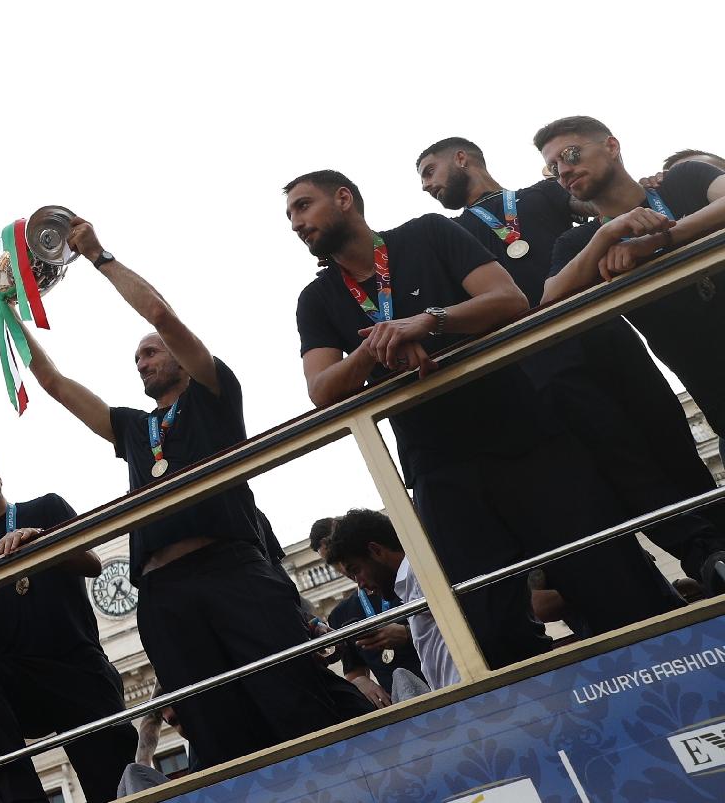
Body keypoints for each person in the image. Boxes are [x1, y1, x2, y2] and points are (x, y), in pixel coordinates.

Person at [285, 170, 674, 669]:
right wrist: (380, 344)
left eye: (303, 206)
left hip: (527, 434)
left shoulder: (427, 232)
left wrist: (429, 320)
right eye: (291, 215)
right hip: (438, 467)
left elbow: (508, 300)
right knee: (486, 623)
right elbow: (321, 389)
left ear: (344, 199)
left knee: (609, 578)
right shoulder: (316, 299)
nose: (297, 223)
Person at [15, 222, 365, 769]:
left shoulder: (212, 392)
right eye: (137, 359)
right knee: (214, 728)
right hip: (162, 594)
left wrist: (98, 257)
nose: (143, 361)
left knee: (292, 699)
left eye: (152, 354)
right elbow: (55, 383)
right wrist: (8, 314)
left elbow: (161, 315)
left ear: (180, 356)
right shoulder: (134, 429)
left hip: (230, 570)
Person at [416, 136, 722, 600]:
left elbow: (609, 200)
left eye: (429, 171)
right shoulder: (449, 234)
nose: (427, 186)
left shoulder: (542, 196)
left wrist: (652, 187)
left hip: (611, 335)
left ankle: (719, 537)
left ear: (462, 159)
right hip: (542, 363)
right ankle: (701, 553)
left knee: (671, 435)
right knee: (621, 461)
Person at [0, 437, 134, 802]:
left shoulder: (45, 507)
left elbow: (92, 563)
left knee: (115, 790)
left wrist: (40, 542)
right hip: (23, 681)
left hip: (79, 669)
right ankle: (21, 793)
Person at [539, 117, 725, 442]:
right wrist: (606, 234)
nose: (564, 171)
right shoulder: (578, 242)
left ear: (611, 146)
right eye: (553, 168)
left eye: (570, 154)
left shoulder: (683, 179)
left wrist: (659, 239)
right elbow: (550, 299)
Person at [323, 510, 459, 692]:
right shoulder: (408, 585)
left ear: (376, 551)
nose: (359, 584)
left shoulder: (424, 579)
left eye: (356, 570)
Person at [307, 517, 417, 704]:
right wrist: (360, 682)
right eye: (332, 561)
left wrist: (407, 634)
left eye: (343, 556)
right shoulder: (340, 615)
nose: (342, 567)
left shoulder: (405, 582)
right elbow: (354, 671)